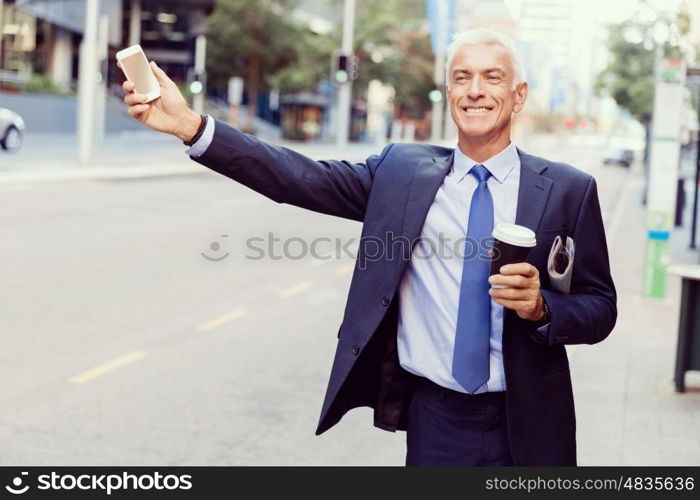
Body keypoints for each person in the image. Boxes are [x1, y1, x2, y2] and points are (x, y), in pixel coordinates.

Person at [121, 28, 616, 466]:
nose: (476, 91)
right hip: (436, 420)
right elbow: (296, 178)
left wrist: (541, 307)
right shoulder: (402, 172)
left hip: (529, 418)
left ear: (519, 92)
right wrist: (190, 125)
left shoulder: (569, 190)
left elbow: (600, 308)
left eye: (491, 77)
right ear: (448, 93)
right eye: (461, 78)